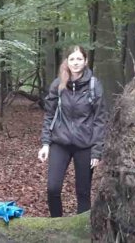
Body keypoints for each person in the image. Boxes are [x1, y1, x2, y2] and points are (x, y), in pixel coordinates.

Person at [37, 46, 105, 217]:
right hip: (60, 142)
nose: (75, 63)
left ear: (86, 61)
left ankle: (82, 231)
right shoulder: (58, 84)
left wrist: (97, 151)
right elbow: (49, 115)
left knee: (83, 192)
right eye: (72, 59)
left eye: (79, 59)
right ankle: (56, 225)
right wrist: (45, 143)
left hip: (85, 145)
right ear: (67, 61)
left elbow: (100, 119)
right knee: (53, 188)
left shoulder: (94, 85)